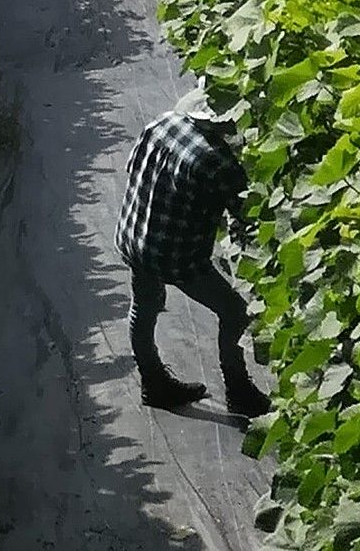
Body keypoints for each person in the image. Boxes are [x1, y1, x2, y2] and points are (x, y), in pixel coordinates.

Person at [116, 90, 271, 415]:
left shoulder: (162, 123)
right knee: (234, 313)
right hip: (177, 255)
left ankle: (153, 381)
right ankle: (238, 388)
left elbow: (132, 168)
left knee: (144, 306)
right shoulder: (217, 162)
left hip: (135, 235)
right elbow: (249, 215)